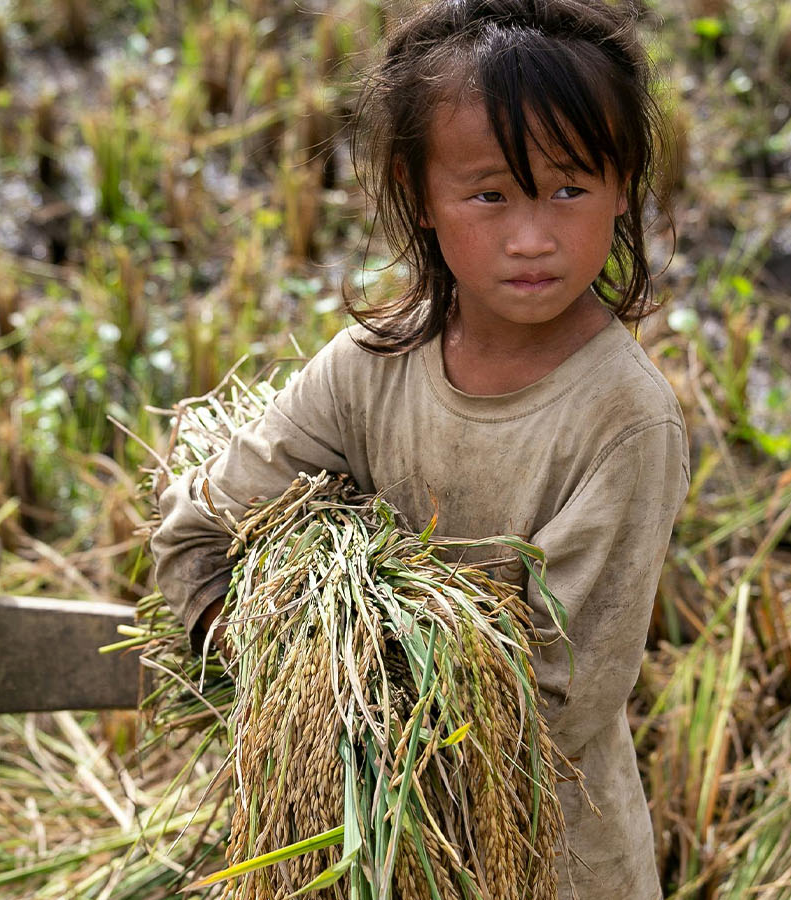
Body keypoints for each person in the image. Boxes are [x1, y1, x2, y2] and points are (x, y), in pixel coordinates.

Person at [150, 0, 688, 896]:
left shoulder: (623, 420)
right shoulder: (370, 369)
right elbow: (199, 531)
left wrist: (350, 705)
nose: (532, 236)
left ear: (624, 183)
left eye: (569, 188)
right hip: (354, 857)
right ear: (419, 195)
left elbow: (554, 699)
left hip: (545, 858)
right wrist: (277, 672)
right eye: (489, 194)